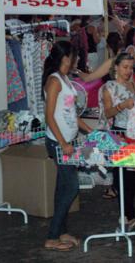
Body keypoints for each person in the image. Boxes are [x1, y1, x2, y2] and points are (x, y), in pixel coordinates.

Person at [43, 41, 93, 252]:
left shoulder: (66, 79)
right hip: (58, 142)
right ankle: (52, 237)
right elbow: (49, 116)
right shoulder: (54, 81)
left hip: (67, 141)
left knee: (62, 187)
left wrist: (91, 131)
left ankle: (61, 231)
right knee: (71, 186)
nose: (76, 60)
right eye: (74, 56)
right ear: (65, 58)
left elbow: (71, 113)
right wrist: (63, 143)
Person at [98, 52, 135, 230]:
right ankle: (127, 215)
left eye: (130, 67)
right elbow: (107, 113)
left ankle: (127, 215)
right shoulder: (109, 87)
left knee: (133, 175)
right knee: (123, 176)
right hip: (120, 133)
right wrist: (123, 105)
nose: (128, 71)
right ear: (116, 67)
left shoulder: (134, 85)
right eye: (125, 67)